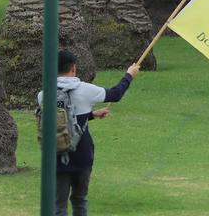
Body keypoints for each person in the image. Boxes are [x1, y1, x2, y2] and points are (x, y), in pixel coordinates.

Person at [39, 51, 139, 216]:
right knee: (79, 200)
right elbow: (115, 94)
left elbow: (61, 122)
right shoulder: (85, 90)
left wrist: (91, 115)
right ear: (74, 68)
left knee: (59, 205)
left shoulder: (43, 95)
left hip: (56, 154)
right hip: (82, 154)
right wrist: (129, 75)